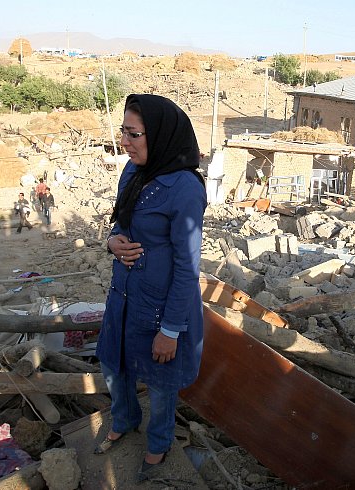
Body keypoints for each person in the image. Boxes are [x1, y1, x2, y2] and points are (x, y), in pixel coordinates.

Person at [94, 94, 207, 482]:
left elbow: (187, 266)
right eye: (123, 131)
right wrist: (112, 241)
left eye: (133, 133)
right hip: (123, 296)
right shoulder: (133, 171)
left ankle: (158, 445)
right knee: (114, 364)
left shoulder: (185, 188)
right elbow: (120, 222)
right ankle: (123, 420)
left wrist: (171, 330)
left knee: (161, 385)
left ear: (159, 135)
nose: (124, 141)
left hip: (160, 308)